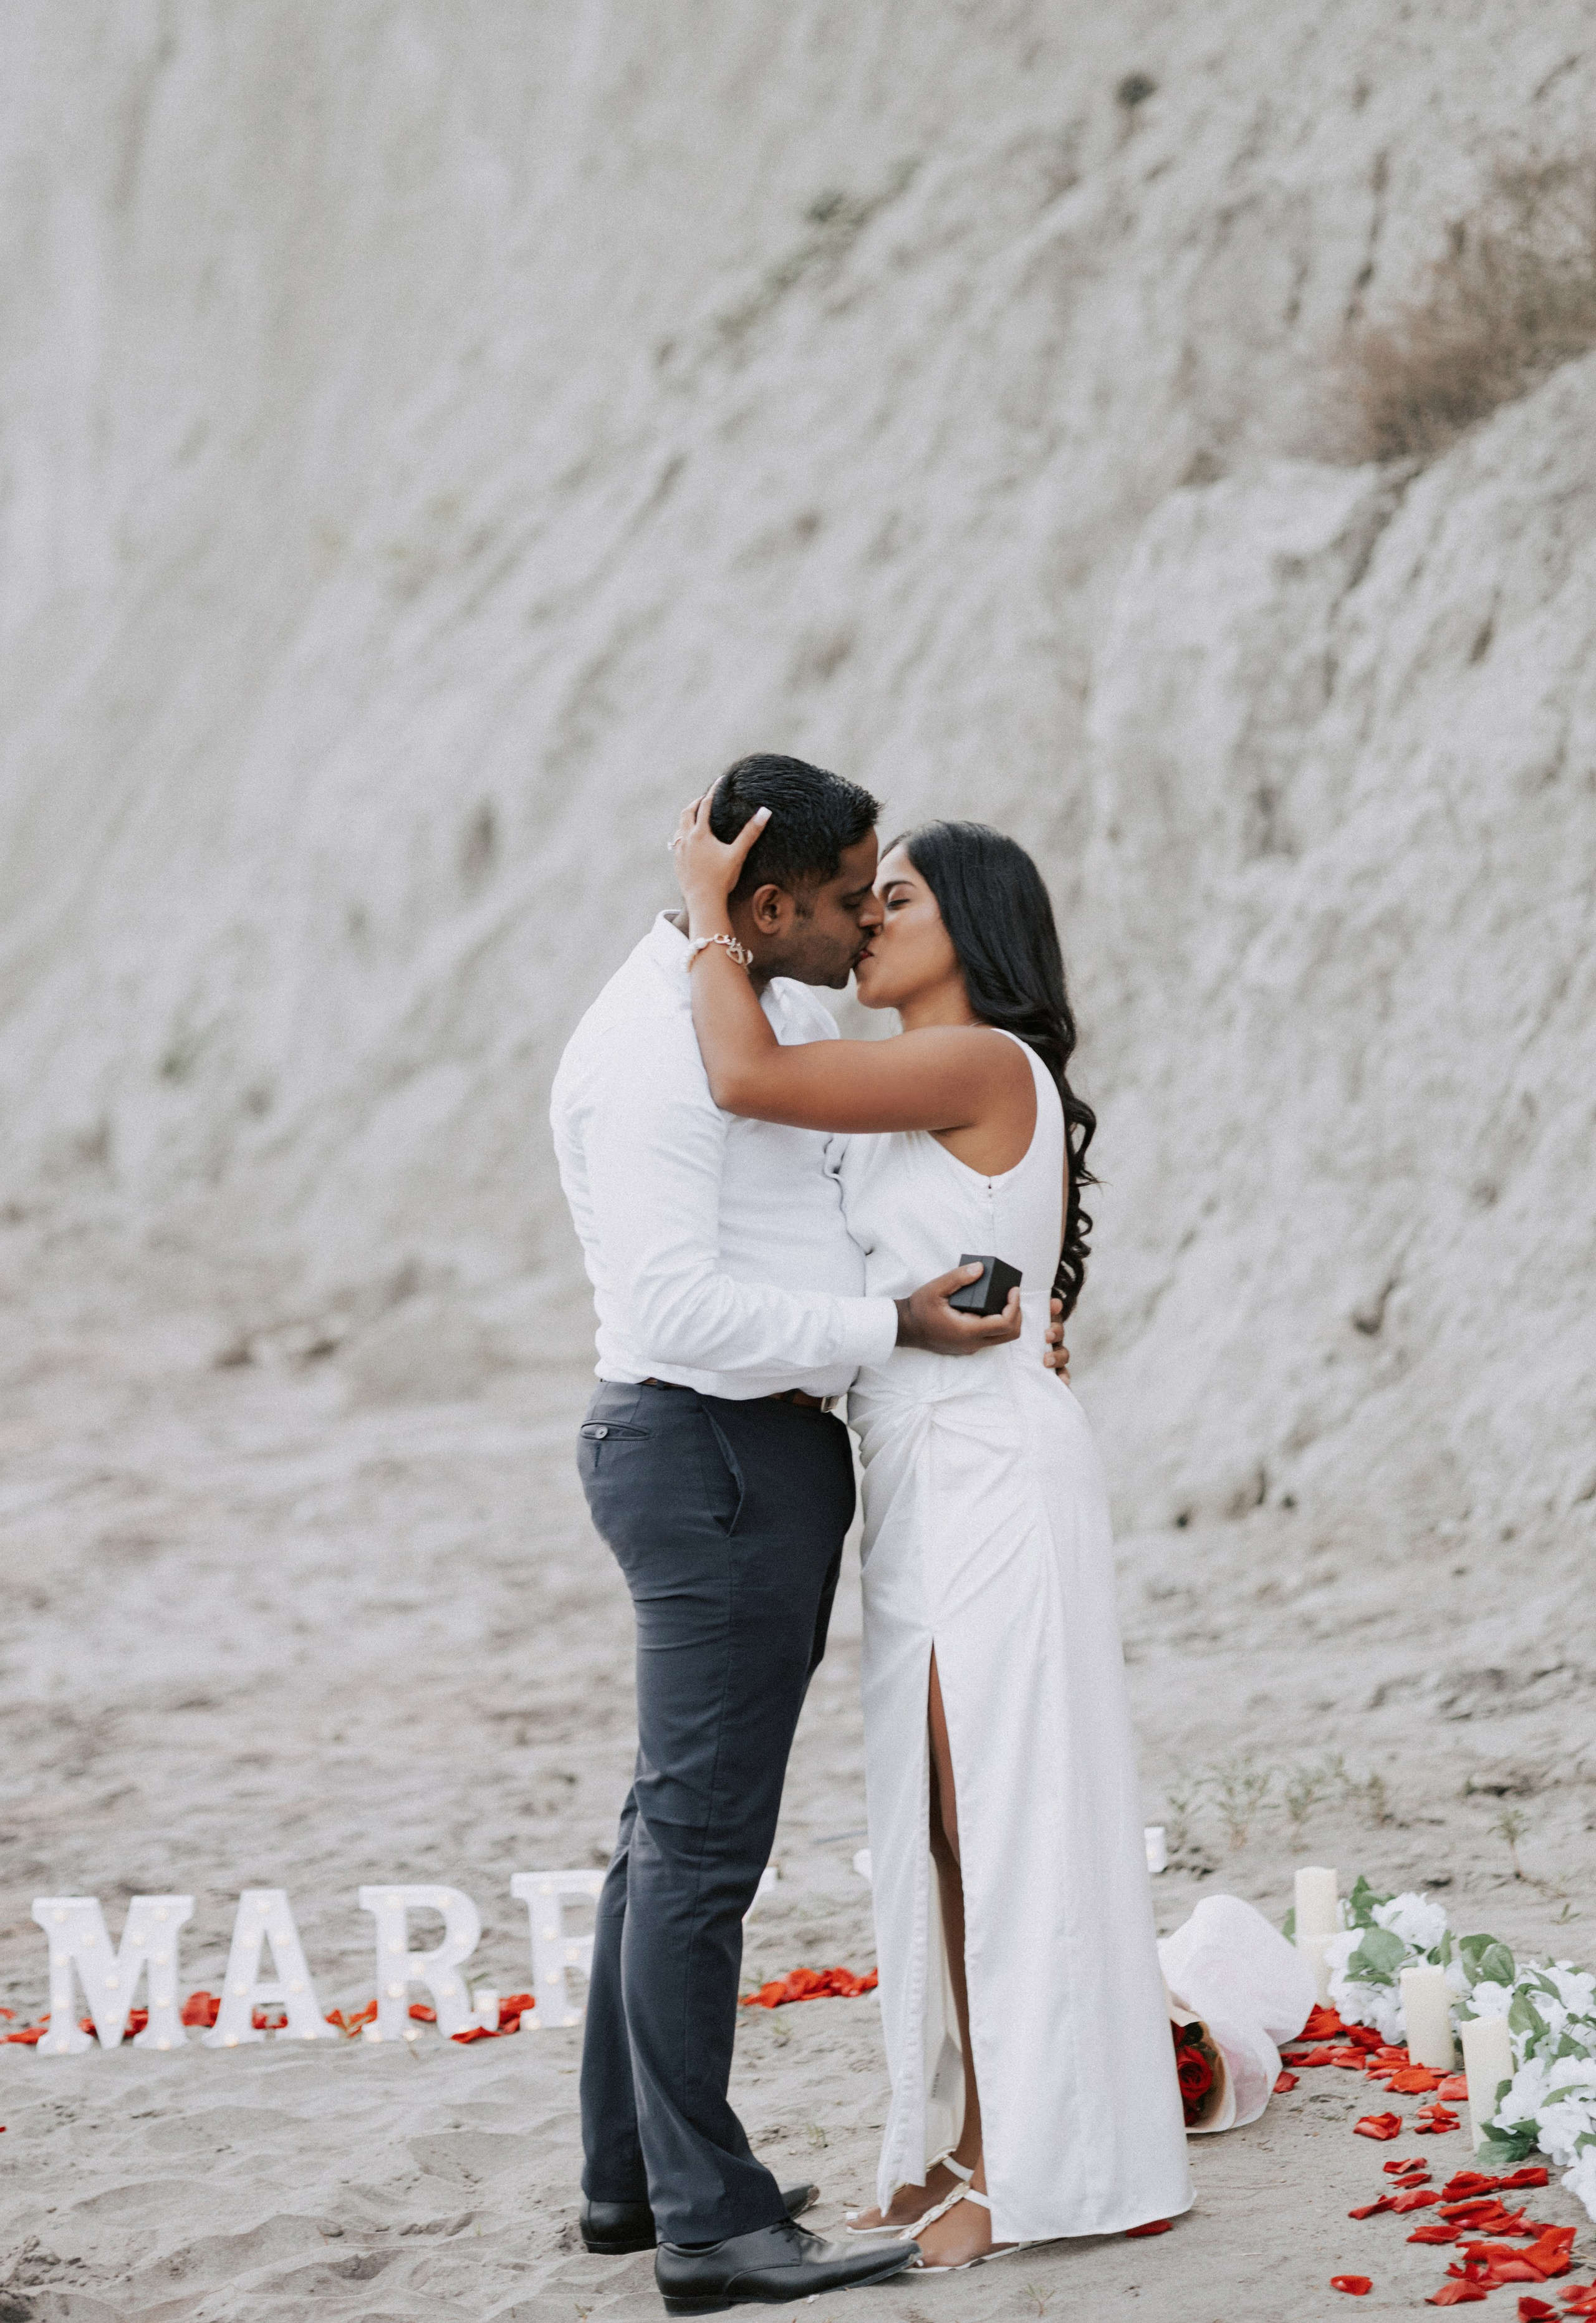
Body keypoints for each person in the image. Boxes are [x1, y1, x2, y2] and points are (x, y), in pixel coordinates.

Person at [550, 755, 1058, 2315]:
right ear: (763, 904)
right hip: (705, 1448)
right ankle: (709, 2222)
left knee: (667, 1835)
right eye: (846, 903)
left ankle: (629, 2182)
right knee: (703, 1850)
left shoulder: (782, 1005)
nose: (859, 930)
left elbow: (838, 1168)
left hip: (752, 1458)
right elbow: (672, 1306)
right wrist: (883, 1322)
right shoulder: (654, 1049)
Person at [673, 797, 1193, 2274]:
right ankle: (968, 2140)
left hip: (986, 1473)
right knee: (943, 1829)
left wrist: (712, 912)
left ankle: (1019, 2170)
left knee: (994, 1819)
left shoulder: (967, 1059)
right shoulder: (927, 1080)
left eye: (893, 899)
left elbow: (742, 1073)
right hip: (922, 1474)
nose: (867, 919)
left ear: (972, 928)